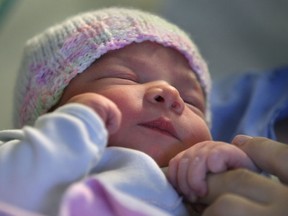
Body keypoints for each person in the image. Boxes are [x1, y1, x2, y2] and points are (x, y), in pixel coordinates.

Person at [0, 7, 257, 216]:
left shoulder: (193, 197)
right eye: (125, 77)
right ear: (51, 106)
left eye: (192, 101)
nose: (170, 94)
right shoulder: (25, 151)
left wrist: (226, 180)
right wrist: (69, 129)